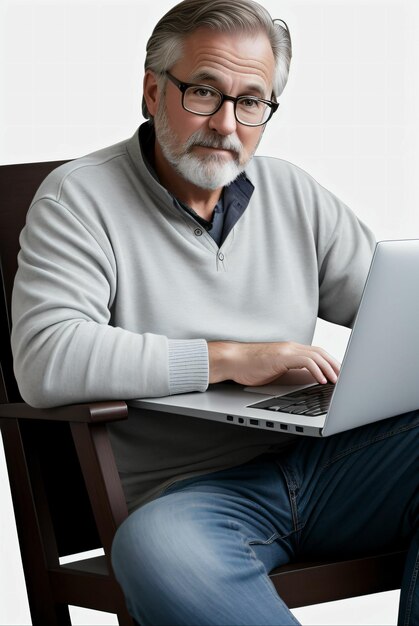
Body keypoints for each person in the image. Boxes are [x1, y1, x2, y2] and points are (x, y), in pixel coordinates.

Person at [11, 0, 418, 624]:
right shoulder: (77, 200)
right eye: (204, 92)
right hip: (190, 498)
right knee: (158, 553)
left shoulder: (294, 192)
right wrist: (228, 360)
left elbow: (396, 309)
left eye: (251, 101)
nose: (227, 124)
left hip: (331, 467)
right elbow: (49, 358)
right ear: (152, 91)